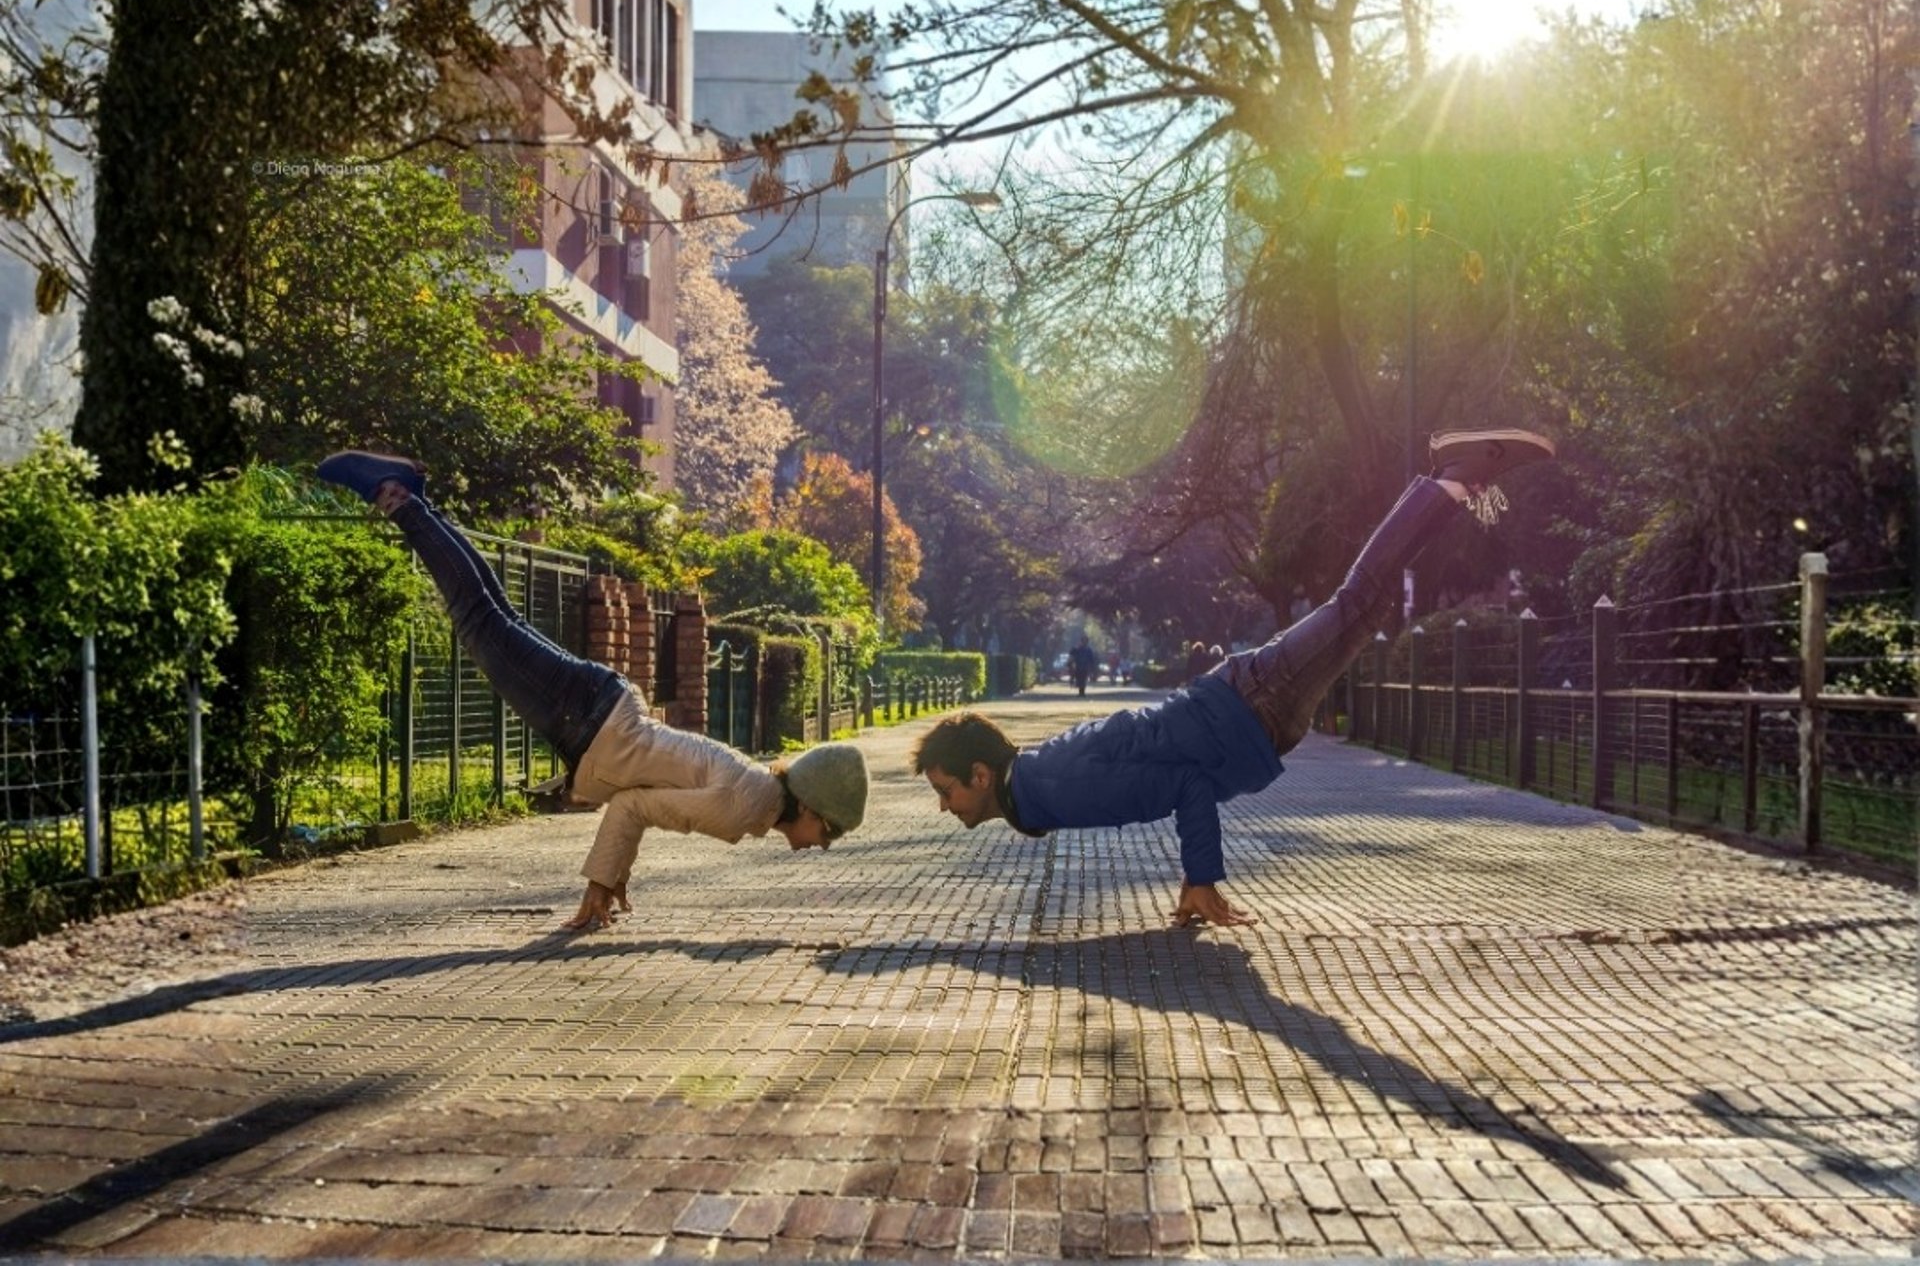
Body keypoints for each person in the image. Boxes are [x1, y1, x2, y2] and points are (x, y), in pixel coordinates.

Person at [910, 428, 1553, 928]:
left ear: (981, 775)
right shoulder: (1039, 791)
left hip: (1249, 703)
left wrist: (1199, 878)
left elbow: (1183, 781)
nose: (945, 807)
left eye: (945, 791)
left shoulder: (1052, 787)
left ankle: (1459, 473)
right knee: (1367, 605)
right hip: (1250, 717)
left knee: (1359, 602)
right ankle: (1457, 477)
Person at [315, 450, 869, 931]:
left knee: (490, 615)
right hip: (588, 720)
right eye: (830, 834)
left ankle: (414, 500)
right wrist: (600, 886)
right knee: (479, 620)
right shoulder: (739, 809)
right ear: (815, 813)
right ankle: (398, 498)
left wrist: (615, 875)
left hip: (601, 711)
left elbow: (643, 797)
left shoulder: (754, 792)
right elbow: (633, 806)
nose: (821, 845)